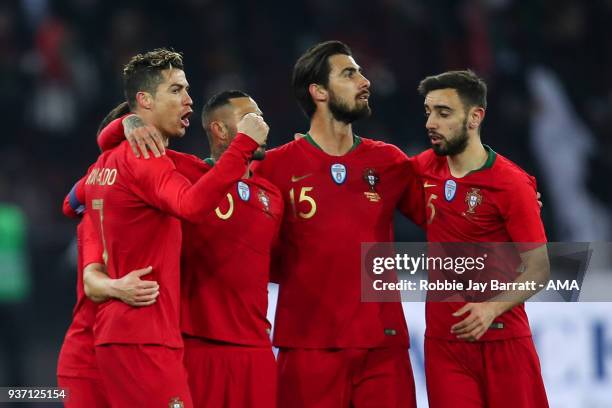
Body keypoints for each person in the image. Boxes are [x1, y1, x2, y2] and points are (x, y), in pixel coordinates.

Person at [79, 48, 268, 407]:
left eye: (187, 90)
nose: (188, 100)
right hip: (143, 333)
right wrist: (243, 145)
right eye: (176, 90)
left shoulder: (109, 160)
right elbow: (191, 205)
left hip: (119, 332)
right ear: (145, 100)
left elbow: (71, 201)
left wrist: (120, 126)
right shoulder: (146, 158)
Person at [254, 40, 424, 408]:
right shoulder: (275, 168)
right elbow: (245, 246)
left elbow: (443, 216)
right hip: (308, 348)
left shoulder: (388, 161)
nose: (364, 81)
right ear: (318, 92)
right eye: (349, 74)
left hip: (382, 346)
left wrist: (505, 201)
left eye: (361, 72)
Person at [413, 70, 550, 408]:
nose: (431, 122)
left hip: (504, 340)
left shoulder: (511, 183)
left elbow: (539, 270)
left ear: (475, 117)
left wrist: (491, 309)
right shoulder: (422, 169)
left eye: (444, 113)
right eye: (428, 112)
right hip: (445, 345)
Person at [56, 102, 161, 408]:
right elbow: (70, 204)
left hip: (140, 349)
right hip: (91, 352)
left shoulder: (159, 189)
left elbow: (69, 203)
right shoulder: (97, 209)